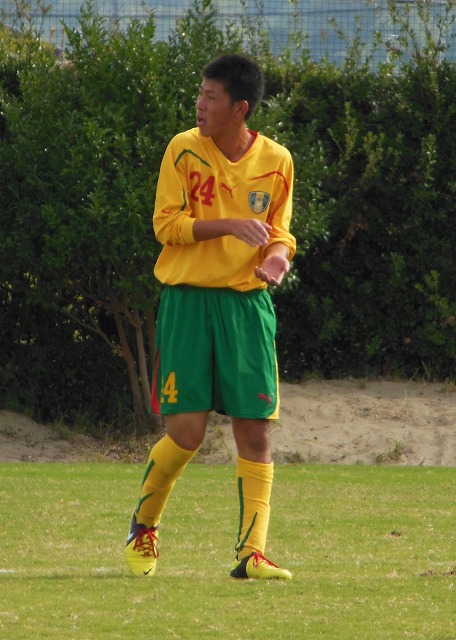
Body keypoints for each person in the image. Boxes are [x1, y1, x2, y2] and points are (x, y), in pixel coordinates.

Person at [125, 54, 296, 580]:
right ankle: (143, 527)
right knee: (186, 435)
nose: (198, 104)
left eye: (210, 96)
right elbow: (166, 225)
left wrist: (277, 259)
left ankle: (251, 554)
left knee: (256, 434)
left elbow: (281, 233)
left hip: (246, 307)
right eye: (199, 94)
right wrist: (227, 225)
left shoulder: (277, 161)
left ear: (239, 108)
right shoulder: (182, 150)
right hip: (189, 303)